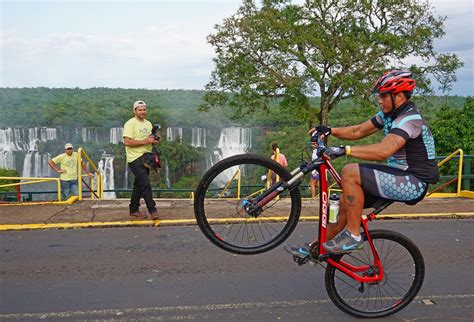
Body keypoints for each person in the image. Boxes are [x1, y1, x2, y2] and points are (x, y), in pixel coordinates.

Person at [286, 70, 439, 257]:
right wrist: (329, 130)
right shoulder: (388, 115)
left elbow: (384, 151)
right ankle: (316, 249)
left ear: (398, 96)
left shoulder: (409, 119)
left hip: (413, 182)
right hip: (398, 175)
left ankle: (353, 236)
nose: (379, 100)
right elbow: (358, 131)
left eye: (383, 96)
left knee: (350, 171)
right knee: (345, 203)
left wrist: (345, 150)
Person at [123, 100, 160, 220]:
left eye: (144, 109)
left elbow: (150, 139)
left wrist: (154, 140)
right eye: (140, 110)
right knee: (145, 184)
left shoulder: (148, 124)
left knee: (138, 185)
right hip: (134, 158)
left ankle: (133, 209)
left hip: (146, 157)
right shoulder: (130, 124)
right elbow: (127, 142)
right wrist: (146, 141)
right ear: (135, 111)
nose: (143, 112)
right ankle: (152, 210)